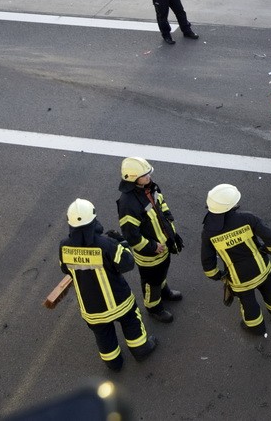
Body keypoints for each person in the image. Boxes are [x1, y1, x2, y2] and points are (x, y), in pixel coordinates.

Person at [60, 198, 158, 371]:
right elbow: (127, 264)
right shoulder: (106, 244)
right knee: (131, 322)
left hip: (91, 309)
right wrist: (122, 243)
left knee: (103, 335)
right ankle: (141, 349)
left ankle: (114, 363)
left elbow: (66, 270)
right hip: (118, 302)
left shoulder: (64, 247)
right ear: (94, 219)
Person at [201, 184, 271, 337]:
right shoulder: (247, 218)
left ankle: (256, 328)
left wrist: (218, 275)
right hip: (262, 269)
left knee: (248, 304)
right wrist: (269, 251)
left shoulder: (208, 232)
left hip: (239, 280)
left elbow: (207, 262)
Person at [117, 157, 184, 324]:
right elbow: (131, 236)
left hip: (164, 245)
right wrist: (152, 247)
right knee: (151, 281)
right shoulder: (128, 203)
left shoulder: (151, 187)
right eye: (144, 175)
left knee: (162, 272)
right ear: (132, 178)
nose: (148, 177)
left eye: (148, 173)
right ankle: (154, 307)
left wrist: (170, 226)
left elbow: (162, 205)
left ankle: (164, 291)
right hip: (150, 253)